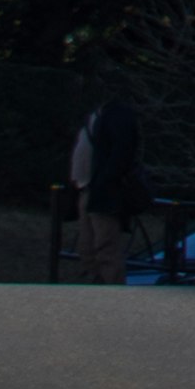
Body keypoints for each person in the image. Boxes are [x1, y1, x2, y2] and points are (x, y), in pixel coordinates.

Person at [71, 86, 143, 281]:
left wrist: (106, 179)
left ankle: (110, 292)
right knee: (87, 248)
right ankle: (91, 289)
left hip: (102, 190)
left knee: (105, 247)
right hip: (90, 188)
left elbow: (123, 150)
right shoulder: (102, 113)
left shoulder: (117, 114)